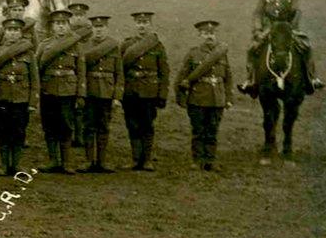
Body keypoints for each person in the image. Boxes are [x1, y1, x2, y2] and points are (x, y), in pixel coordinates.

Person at [177, 20, 231, 171]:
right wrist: (180, 96)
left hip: (217, 99)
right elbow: (182, 75)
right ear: (200, 35)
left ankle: (210, 160)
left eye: (212, 33)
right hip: (198, 98)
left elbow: (228, 77)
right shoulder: (193, 53)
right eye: (206, 33)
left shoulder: (222, 54)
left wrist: (228, 98)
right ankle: (197, 159)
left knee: (212, 131)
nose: (209, 36)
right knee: (198, 131)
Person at [36, 9, 84, 173]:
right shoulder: (44, 45)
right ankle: (53, 161)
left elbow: (81, 71)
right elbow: (37, 69)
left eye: (64, 23)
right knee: (49, 126)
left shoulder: (76, 45)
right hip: (48, 90)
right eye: (58, 24)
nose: (61, 27)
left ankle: (67, 162)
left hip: (67, 91)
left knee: (66, 125)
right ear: (52, 26)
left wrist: (80, 94)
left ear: (68, 25)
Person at [119, 11, 168, 171]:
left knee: (147, 124)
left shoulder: (157, 46)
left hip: (149, 92)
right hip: (131, 91)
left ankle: (146, 160)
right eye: (139, 23)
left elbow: (164, 72)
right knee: (132, 124)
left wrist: (162, 94)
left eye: (145, 23)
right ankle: (135, 159)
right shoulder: (126, 45)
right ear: (135, 25)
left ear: (150, 25)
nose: (141, 26)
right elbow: (119, 71)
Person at [0, 17, 38, 176]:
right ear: (5, 32)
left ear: (20, 33)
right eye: (9, 30)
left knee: (19, 132)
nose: (12, 33)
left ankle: (15, 165)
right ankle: (4, 165)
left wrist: (32, 102)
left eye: (16, 30)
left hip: (21, 99)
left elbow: (34, 79)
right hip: (2, 99)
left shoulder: (28, 54)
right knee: (2, 131)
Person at [79, 15, 123, 173]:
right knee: (89, 126)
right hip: (89, 92)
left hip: (106, 92)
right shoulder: (84, 46)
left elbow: (119, 73)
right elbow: (81, 72)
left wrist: (117, 96)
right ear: (92, 29)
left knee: (104, 126)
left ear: (107, 28)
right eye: (96, 27)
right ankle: (89, 160)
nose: (99, 30)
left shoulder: (113, 46)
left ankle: (102, 161)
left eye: (102, 27)